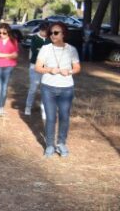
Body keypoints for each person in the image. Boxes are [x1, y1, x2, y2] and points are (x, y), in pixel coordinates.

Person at [35, 22, 81, 158]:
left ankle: (61, 143)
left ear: (63, 34)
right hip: (48, 87)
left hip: (66, 88)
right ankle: (50, 145)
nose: (52, 35)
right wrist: (49, 69)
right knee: (50, 118)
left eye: (56, 33)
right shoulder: (45, 48)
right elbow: (38, 67)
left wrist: (70, 71)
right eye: (51, 33)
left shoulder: (71, 49)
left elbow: (78, 67)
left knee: (64, 117)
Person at [0, 23, 19, 116]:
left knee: (4, 86)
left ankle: (1, 107)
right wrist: (9, 56)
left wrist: (2, 55)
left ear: (8, 32)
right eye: (0, 33)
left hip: (9, 66)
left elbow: (15, 55)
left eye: (4, 33)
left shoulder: (13, 41)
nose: (2, 35)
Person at [25, 22, 50, 117]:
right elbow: (35, 51)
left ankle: (43, 108)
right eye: (45, 31)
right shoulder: (35, 38)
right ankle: (28, 106)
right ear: (41, 30)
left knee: (45, 89)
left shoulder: (49, 39)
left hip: (46, 68)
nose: (46, 33)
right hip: (34, 66)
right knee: (33, 88)